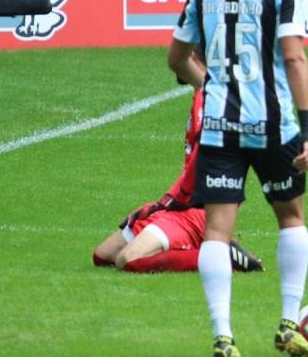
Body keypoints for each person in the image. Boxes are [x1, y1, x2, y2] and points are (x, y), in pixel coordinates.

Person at [168, 0, 308, 357]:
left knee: (216, 232)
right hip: (273, 124)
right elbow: (293, 56)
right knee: (290, 217)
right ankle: (289, 324)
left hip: (218, 124)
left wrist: (208, 85)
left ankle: (223, 336)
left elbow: (176, 58)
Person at [91, 88, 264, 274]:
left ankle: (220, 255)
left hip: (196, 211)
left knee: (127, 260)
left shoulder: (212, 99)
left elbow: (202, 159)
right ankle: (209, 245)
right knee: (102, 256)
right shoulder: (202, 94)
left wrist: (169, 200)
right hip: (178, 206)